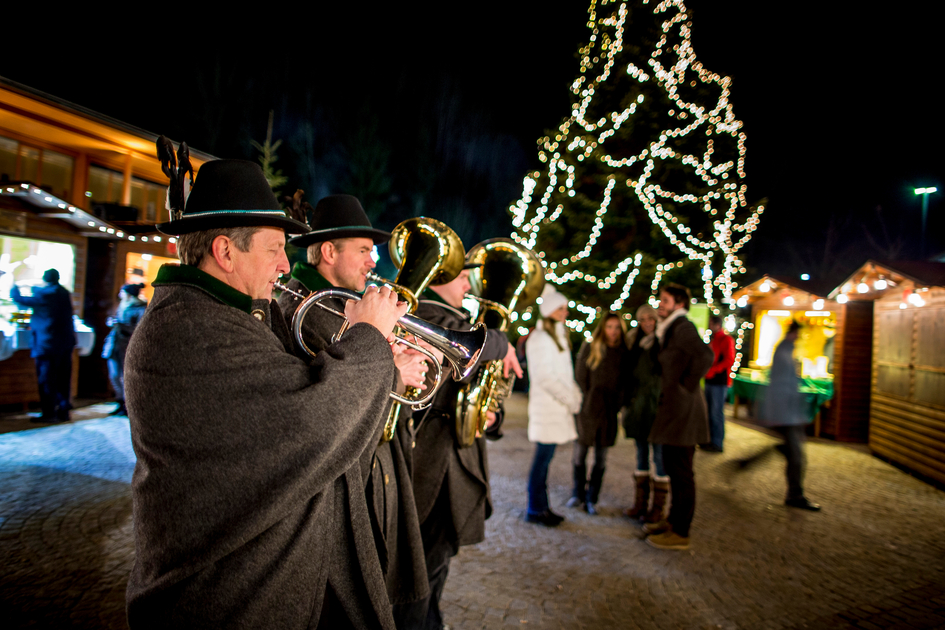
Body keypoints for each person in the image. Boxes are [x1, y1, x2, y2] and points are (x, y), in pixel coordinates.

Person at [124, 159, 408, 629]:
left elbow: (296, 391)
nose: (285, 264)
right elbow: (310, 420)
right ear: (225, 251)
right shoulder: (190, 329)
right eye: (275, 248)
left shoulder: (228, 314)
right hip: (225, 600)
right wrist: (369, 338)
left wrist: (376, 358)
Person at [276, 194, 433, 619]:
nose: (373, 261)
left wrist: (398, 357)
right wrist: (393, 372)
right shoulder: (309, 307)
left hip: (374, 472)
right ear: (329, 252)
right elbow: (334, 403)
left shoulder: (342, 301)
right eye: (364, 250)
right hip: (343, 490)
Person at [406, 261, 521, 630]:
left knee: (438, 562)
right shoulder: (426, 313)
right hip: (431, 463)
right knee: (421, 570)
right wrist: (502, 344)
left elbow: (476, 389)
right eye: (460, 276)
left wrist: (490, 415)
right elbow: (476, 343)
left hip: (454, 461)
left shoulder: (462, 321)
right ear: (439, 275)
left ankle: (430, 622)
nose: (469, 285)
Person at [643, 283, 713, 551]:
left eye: (665, 301)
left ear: (679, 305)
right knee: (673, 467)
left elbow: (705, 356)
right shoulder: (669, 328)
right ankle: (672, 521)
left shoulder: (682, 327)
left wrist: (685, 386)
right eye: (660, 300)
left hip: (684, 412)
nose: (660, 305)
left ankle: (681, 531)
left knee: (682, 472)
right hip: (675, 411)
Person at [525, 284, 582, 526]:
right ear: (550, 310)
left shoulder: (557, 335)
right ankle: (536, 508)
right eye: (561, 308)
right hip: (548, 409)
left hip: (556, 408)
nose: (565, 313)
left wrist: (574, 394)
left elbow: (564, 374)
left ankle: (540, 507)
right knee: (542, 461)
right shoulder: (541, 338)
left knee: (544, 460)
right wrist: (569, 398)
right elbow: (545, 377)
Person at [757, 321, 821, 511]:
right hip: (786, 415)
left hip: (787, 414)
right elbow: (783, 386)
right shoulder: (784, 353)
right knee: (797, 456)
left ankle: (794, 491)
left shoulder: (785, 351)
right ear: (794, 333)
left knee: (794, 453)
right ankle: (795, 494)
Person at [569, 311, 628, 515]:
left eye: (617, 327)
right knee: (580, 454)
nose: (613, 331)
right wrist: (586, 399)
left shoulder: (623, 352)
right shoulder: (591, 347)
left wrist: (618, 403)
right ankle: (577, 493)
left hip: (609, 412)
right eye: (609, 327)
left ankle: (592, 497)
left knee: (601, 458)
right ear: (603, 328)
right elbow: (580, 376)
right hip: (588, 409)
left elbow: (624, 383)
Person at [621, 304, 669, 524]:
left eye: (651, 318)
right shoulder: (634, 343)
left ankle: (657, 508)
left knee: (659, 457)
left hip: (657, 408)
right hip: (639, 408)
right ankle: (640, 503)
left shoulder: (664, 341)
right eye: (642, 319)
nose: (647, 322)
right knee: (641, 455)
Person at [11, 268, 76, 423]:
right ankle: (63, 411)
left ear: (45, 279)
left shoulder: (45, 293)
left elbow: (20, 299)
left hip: (47, 344)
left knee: (47, 379)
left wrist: (13, 285)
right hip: (65, 343)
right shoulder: (63, 292)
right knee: (63, 379)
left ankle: (49, 413)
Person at [101, 283, 147, 416]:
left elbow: (140, 329)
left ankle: (128, 405)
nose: (120, 295)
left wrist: (121, 325)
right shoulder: (122, 306)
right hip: (114, 344)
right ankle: (120, 401)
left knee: (126, 376)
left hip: (127, 346)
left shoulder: (140, 308)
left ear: (129, 294)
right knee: (114, 375)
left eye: (122, 292)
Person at [701, 314, 735, 452]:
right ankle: (708, 440)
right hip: (710, 380)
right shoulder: (712, 339)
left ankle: (717, 443)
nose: (709, 326)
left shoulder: (726, 339)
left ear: (716, 324)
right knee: (709, 411)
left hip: (719, 381)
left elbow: (729, 359)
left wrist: (714, 370)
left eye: (711, 324)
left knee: (716, 412)